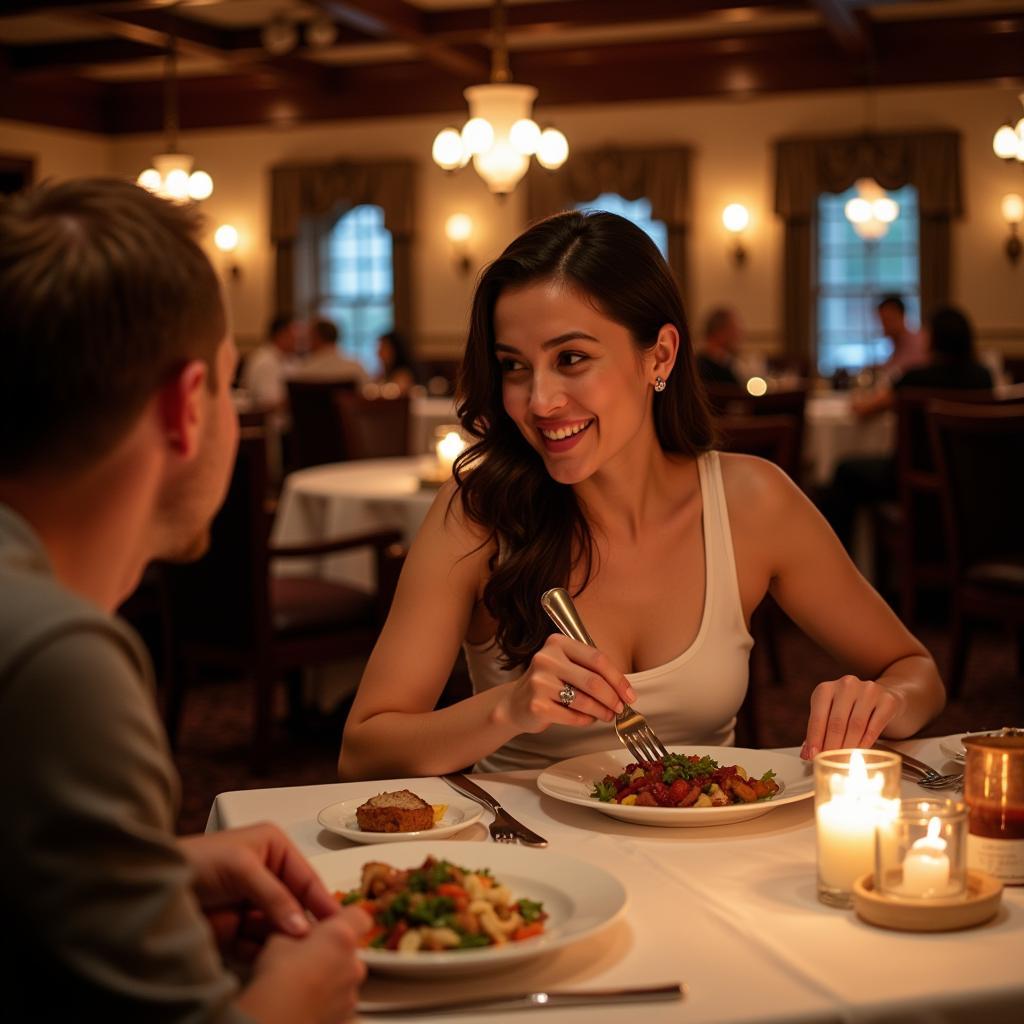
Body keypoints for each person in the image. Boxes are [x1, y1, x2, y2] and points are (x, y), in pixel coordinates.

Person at [338, 210, 945, 780]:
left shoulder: (751, 503)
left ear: (659, 356)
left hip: (707, 862)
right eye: (514, 367)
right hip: (534, 869)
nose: (539, 400)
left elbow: (917, 672)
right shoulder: (477, 512)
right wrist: (509, 709)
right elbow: (363, 750)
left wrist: (881, 701)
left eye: (571, 358)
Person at [0, 179, 368, 1020]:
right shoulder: (60, 660)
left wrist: (149, 869)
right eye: (230, 387)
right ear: (184, 405)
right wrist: (302, 998)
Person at [826, 305, 994, 549]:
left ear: (933, 339)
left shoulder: (915, 379)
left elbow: (864, 410)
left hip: (912, 478)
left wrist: (857, 400)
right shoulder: (982, 378)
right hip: (966, 479)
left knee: (845, 470)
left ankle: (841, 560)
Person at [240, 313, 303, 413]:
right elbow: (267, 403)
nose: (298, 341)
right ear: (281, 335)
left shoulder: (291, 359)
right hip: (272, 425)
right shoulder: (265, 361)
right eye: (294, 336)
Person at [289, 318, 368, 384]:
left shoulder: (304, 371)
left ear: (317, 338)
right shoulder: (355, 368)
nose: (307, 342)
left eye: (309, 337)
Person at [876, 294, 928, 380]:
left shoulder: (916, 341)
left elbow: (901, 371)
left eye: (888, 320)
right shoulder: (898, 344)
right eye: (882, 321)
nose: (884, 326)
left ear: (902, 316)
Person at [695, 306, 742, 387]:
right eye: (734, 330)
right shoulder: (701, 368)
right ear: (719, 332)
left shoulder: (727, 362)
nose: (738, 335)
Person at [376, 329, 422, 395]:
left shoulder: (404, 376)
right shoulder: (383, 374)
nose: (379, 353)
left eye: (383, 348)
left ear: (394, 350)